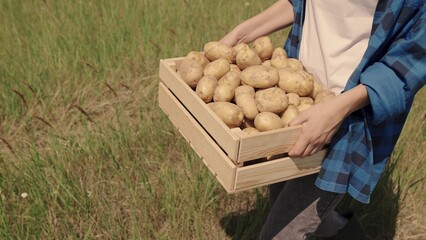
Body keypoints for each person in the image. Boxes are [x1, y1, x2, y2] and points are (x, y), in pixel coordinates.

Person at [220, 0, 426, 239]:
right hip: (292, 94)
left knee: (280, 234)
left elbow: (411, 62)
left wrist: (336, 111)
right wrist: (241, 34)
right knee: (292, 207)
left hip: (348, 119)